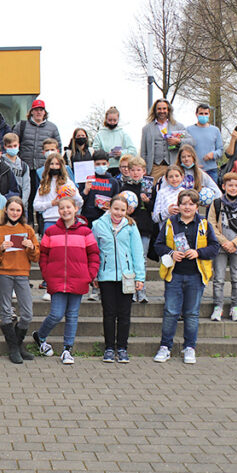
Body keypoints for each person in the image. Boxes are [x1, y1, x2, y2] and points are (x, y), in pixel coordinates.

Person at [153, 189, 220, 364]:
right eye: (184, 203)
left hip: (196, 276)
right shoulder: (170, 223)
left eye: (191, 204)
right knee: (170, 312)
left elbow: (214, 247)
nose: (187, 207)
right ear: (178, 205)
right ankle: (165, 347)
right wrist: (171, 252)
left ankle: (189, 347)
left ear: (197, 206)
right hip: (174, 275)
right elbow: (158, 245)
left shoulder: (204, 224)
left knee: (191, 313)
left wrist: (198, 252)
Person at [32, 197, 100, 365]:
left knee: (72, 315)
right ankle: (40, 336)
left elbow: (94, 254)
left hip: (78, 280)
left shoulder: (85, 231)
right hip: (56, 280)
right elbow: (44, 255)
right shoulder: (51, 231)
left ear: (76, 208)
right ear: (58, 211)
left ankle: (67, 349)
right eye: (62, 208)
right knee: (55, 314)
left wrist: (90, 275)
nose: (65, 211)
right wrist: (47, 274)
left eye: (69, 207)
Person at [91, 195, 145, 364]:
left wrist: (140, 276)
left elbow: (137, 251)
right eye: (116, 209)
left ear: (127, 211)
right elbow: (94, 252)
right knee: (109, 313)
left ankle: (122, 348)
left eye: (122, 210)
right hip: (106, 276)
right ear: (109, 207)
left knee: (124, 314)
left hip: (127, 276)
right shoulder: (98, 225)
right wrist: (95, 274)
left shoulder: (130, 225)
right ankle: (108, 348)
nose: (118, 213)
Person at [0, 196, 39, 364]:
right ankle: (14, 348)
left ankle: (17, 344)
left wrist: (31, 247)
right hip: (4, 273)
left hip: (22, 273)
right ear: (6, 210)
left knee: (27, 314)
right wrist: (0, 249)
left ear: (22, 212)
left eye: (18, 210)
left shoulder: (28, 229)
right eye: (12, 209)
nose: (15, 213)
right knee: (6, 311)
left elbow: (36, 256)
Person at [206, 172, 237, 322]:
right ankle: (218, 307)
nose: (233, 188)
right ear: (224, 186)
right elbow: (211, 224)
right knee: (219, 277)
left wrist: (234, 243)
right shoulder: (216, 203)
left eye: (236, 185)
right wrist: (224, 242)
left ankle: (235, 307)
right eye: (230, 185)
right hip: (219, 247)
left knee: (236, 278)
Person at [119, 156, 155, 304]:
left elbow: (154, 208)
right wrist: (127, 210)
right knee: (130, 260)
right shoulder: (125, 188)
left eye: (138, 170)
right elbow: (119, 208)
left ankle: (142, 290)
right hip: (129, 227)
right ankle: (131, 290)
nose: (135, 173)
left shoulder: (148, 188)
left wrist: (147, 202)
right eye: (132, 170)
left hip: (145, 228)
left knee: (142, 260)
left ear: (144, 171)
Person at [140, 99, 194, 182]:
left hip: (174, 167)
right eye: (159, 109)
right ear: (155, 110)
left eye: (164, 108)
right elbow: (143, 152)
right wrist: (144, 169)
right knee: (154, 192)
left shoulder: (178, 126)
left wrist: (179, 141)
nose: (162, 111)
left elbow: (192, 142)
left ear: (168, 110)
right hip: (155, 168)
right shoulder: (147, 129)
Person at [33, 153, 83, 234]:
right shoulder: (43, 184)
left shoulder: (68, 183)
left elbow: (80, 203)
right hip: (49, 221)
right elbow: (36, 205)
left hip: (67, 221)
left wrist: (75, 196)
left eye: (57, 164)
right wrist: (51, 203)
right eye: (52, 164)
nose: (54, 167)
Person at [17, 98, 61, 172]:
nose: (39, 112)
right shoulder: (21, 126)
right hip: (25, 168)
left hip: (45, 168)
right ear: (32, 112)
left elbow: (58, 147)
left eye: (41, 110)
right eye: (36, 110)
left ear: (44, 112)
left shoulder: (52, 128)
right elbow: (13, 143)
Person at [91, 106, 137, 175]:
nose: (112, 122)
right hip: (104, 168)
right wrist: (107, 154)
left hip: (121, 169)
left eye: (114, 120)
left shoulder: (123, 134)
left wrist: (121, 153)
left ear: (118, 120)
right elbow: (95, 151)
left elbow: (133, 151)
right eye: (110, 120)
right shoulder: (100, 134)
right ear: (106, 119)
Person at [81, 150, 120, 226]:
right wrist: (85, 191)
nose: (101, 166)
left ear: (108, 164)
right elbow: (79, 201)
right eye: (97, 164)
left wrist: (109, 206)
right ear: (93, 164)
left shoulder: (114, 182)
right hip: (88, 218)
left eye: (103, 164)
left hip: (106, 219)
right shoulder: (87, 179)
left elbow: (116, 202)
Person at [186, 104, 224, 182]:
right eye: (201, 113)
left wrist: (213, 154)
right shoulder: (189, 130)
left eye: (206, 113)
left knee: (213, 192)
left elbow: (220, 150)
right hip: (194, 169)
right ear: (196, 114)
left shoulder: (215, 130)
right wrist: (192, 164)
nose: (203, 115)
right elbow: (185, 150)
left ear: (209, 114)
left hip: (211, 170)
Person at [0, 132, 32, 202]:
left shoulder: (24, 166)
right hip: (3, 199)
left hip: (19, 200)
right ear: (5, 146)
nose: (13, 148)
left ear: (18, 145)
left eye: (15, 146)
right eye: (9, 146)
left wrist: (22, 202)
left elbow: (26, 187)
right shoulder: (0, 162)